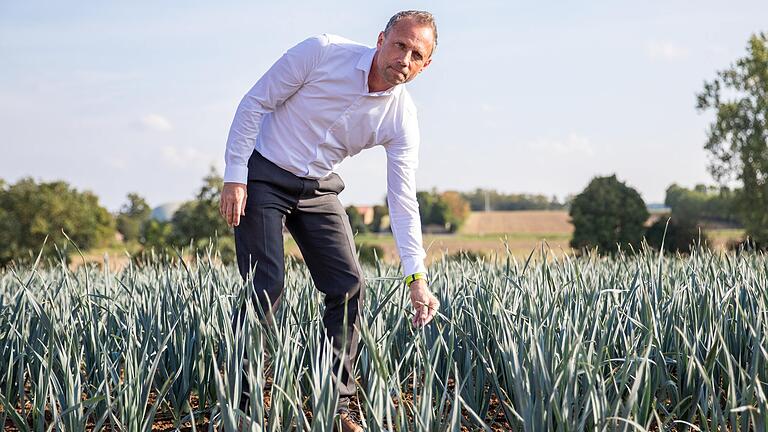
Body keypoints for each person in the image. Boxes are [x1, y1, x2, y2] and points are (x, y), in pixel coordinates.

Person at [219, 10, 440, 431]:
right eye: (400, 45)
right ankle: (241, 407)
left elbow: (402, 199)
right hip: (264, 174)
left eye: (417, 54)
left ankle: (336, 407)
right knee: (264, 285)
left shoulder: (401, 118)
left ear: (425, 65)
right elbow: (255, 103)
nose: (404, 59)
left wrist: (417, 278)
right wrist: (235, 176)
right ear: (381, 39)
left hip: (318, 189)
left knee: (348, 284)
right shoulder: (321, 52)